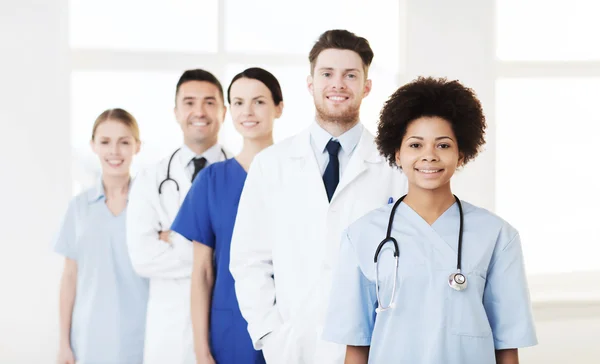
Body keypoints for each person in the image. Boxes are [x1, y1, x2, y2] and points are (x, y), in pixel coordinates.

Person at [321, 76, 538, 364]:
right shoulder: (362, 235)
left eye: (443, 145)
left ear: (462, 154)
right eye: (415, 145)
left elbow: (507, 347)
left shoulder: (497, 235)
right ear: (396, 153)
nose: (429, 156)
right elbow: (357, 345)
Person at [229, 29, 408, 364]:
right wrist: (271, 336)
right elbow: (249, 260)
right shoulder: (271, 165)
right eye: (327, 74)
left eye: (350, 75)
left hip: (372, 347)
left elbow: (405, 262)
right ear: (310, 83)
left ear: (366, 86)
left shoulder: (394, 167)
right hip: (293, 347)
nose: (337, 84)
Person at [171, 67, 283, 364]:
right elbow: (203, 273)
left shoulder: (296, 174)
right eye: (238, 102)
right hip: (230, 329)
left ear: (279, 108)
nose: (248, 111)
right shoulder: (211, 180)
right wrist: (201, 350)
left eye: (259, 101)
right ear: (229, 110)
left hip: (289, 324)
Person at [126, 69, 233, 364]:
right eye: (189, 102)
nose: (199, 111)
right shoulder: (151, 178)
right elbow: (142, 257)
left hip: (227, 322)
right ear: (176, 112)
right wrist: (213, 251)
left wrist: (174, 238)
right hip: (170, 332)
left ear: (224, 111)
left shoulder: (244, 175)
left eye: (209, 102)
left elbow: (252, 255)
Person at [54, 108, 149, 364]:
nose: (114, 151)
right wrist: (63, 343)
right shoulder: (79, 207)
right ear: (93, 146)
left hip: (142, 338)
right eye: (105, 142)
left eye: (124, 142)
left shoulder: (151, 204)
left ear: (137, 146)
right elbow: (70, 278)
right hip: (88, 340)